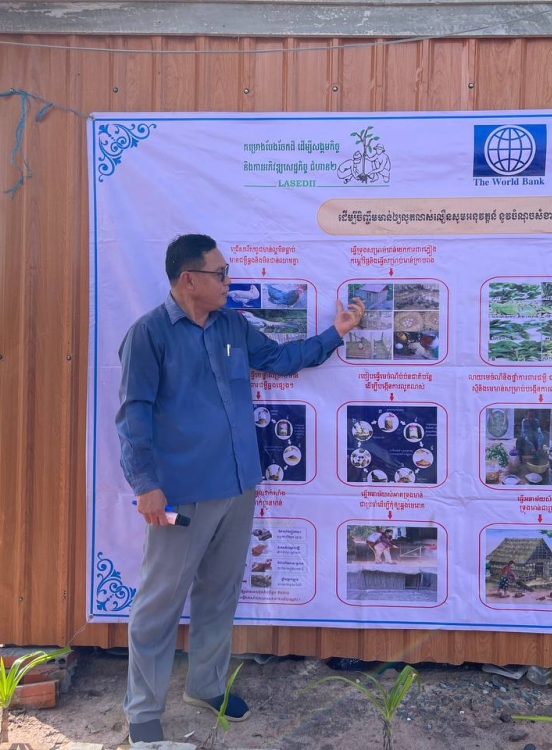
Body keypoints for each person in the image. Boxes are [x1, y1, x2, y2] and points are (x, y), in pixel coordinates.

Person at [115, 234, 365, 743]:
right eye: (221, 274)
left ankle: (206, 686)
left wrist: (336, 332)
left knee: (220, 592)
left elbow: (280, 359)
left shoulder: (232, 326)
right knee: (159, 602)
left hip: (237, 484)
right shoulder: (149, 334)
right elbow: (132, 415)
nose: (229, 282)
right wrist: (146, 485)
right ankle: (142, 711)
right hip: (181, 493)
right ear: (189, 279)